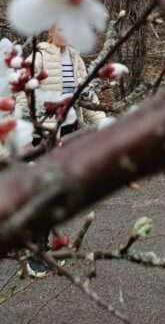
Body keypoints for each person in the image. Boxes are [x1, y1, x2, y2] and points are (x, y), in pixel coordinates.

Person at [24, 27, 106, 279]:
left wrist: (105, 123)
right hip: (44, 136)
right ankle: (37, 251)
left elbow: (85, 97)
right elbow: (21, 98)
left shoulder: (75, 58)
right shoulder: (36, 58)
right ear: (50, 30)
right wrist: (27, 139)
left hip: (69, 133)